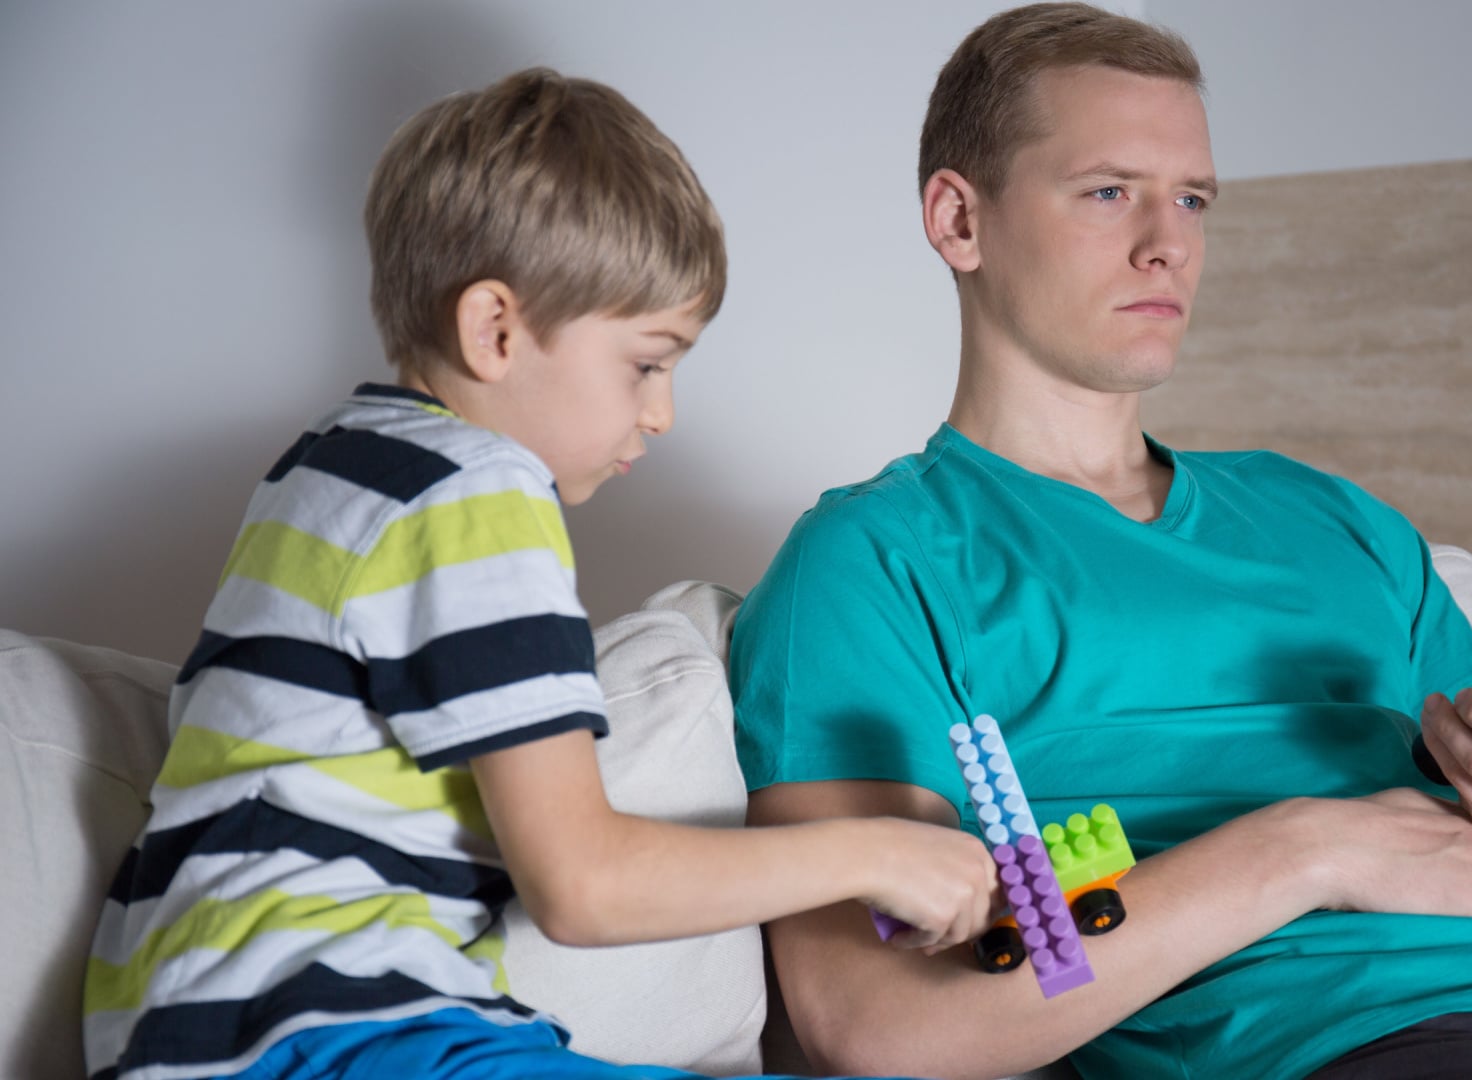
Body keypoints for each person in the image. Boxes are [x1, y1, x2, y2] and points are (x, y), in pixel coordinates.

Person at [728, 6, 1472, 1079]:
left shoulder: (1332, 517)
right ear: (958, 218)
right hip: (1376, 1043)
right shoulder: (870, 565)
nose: (1168, 244)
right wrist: (1310, 849)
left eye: (1192, 199)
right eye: (1107, 191)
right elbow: (876, 1027)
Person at [81, 67, 997, 1080]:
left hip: (213, 1032)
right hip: (316, 1036)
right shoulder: (478, 495)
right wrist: (879, 852)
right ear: (496, 330)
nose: (661, 413)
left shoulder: (332, 466)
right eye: (647, 363)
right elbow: (584, 885)